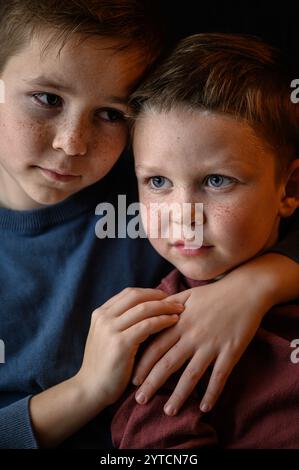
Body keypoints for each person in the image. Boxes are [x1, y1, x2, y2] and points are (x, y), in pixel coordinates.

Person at [0, 0, 298, 449]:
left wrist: (257, 285)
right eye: (47, 99)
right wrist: (87, 389)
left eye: (110, 114)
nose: (72, 143)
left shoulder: (152, 188)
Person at [111, 33, 299, 449]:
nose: (183, 216)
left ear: (289, 189)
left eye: (216, 181)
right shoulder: (161, 329)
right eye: (157, 182)